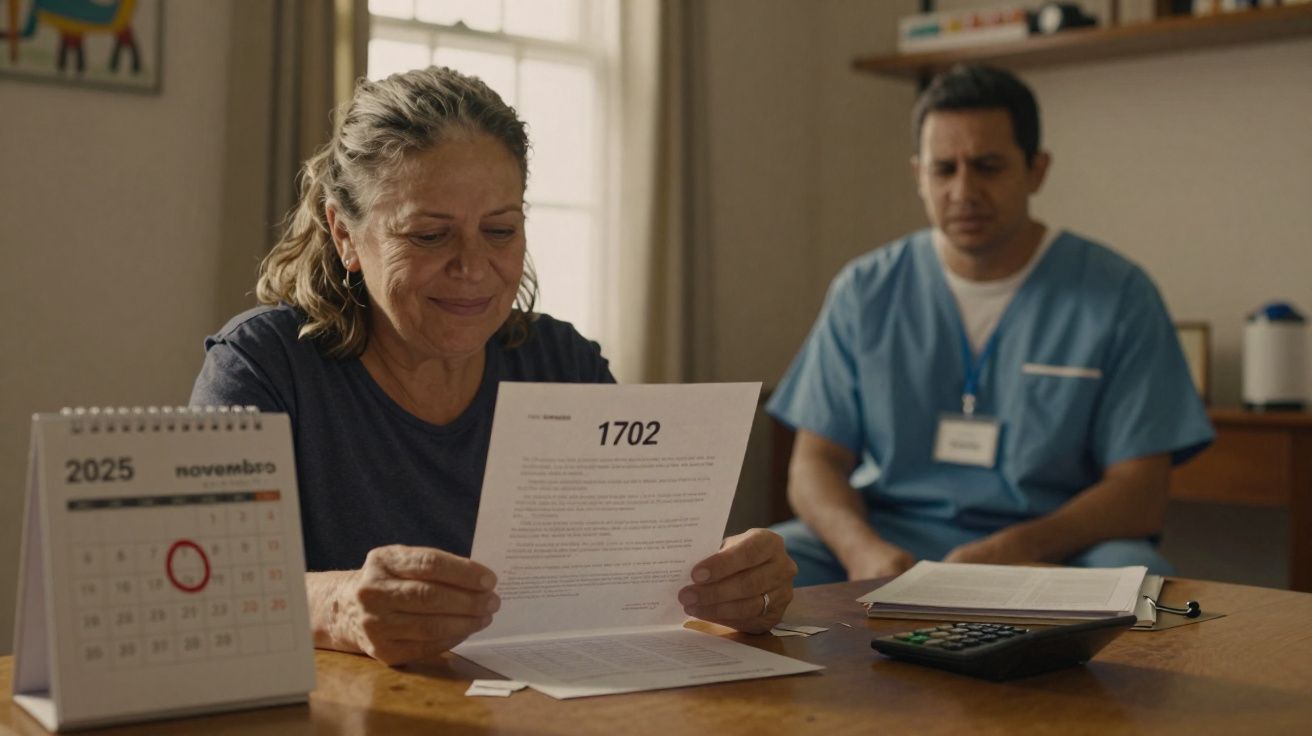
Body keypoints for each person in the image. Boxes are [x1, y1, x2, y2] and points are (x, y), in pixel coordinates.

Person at [191, 66, 796, 665]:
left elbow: (634, 574)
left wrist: (734, 584)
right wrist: (338, 606)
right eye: (430, 236)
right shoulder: (263, 367)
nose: (473, 268)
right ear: (345, 235)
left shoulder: (563, 364)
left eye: (500, 230)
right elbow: (202, 579)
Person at [767, 64, 1212, 586]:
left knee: (1138, 576)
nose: (964, 190)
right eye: (944, 169)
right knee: (764, 569)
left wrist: (1016, 547)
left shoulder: (1117, 295)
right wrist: (861, 550)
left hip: (1052, 548)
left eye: (988, 166)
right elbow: (814, 462)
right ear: (918, 175)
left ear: (1037, 170)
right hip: (891, 541)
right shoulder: (865, 291)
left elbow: (1141, 493)